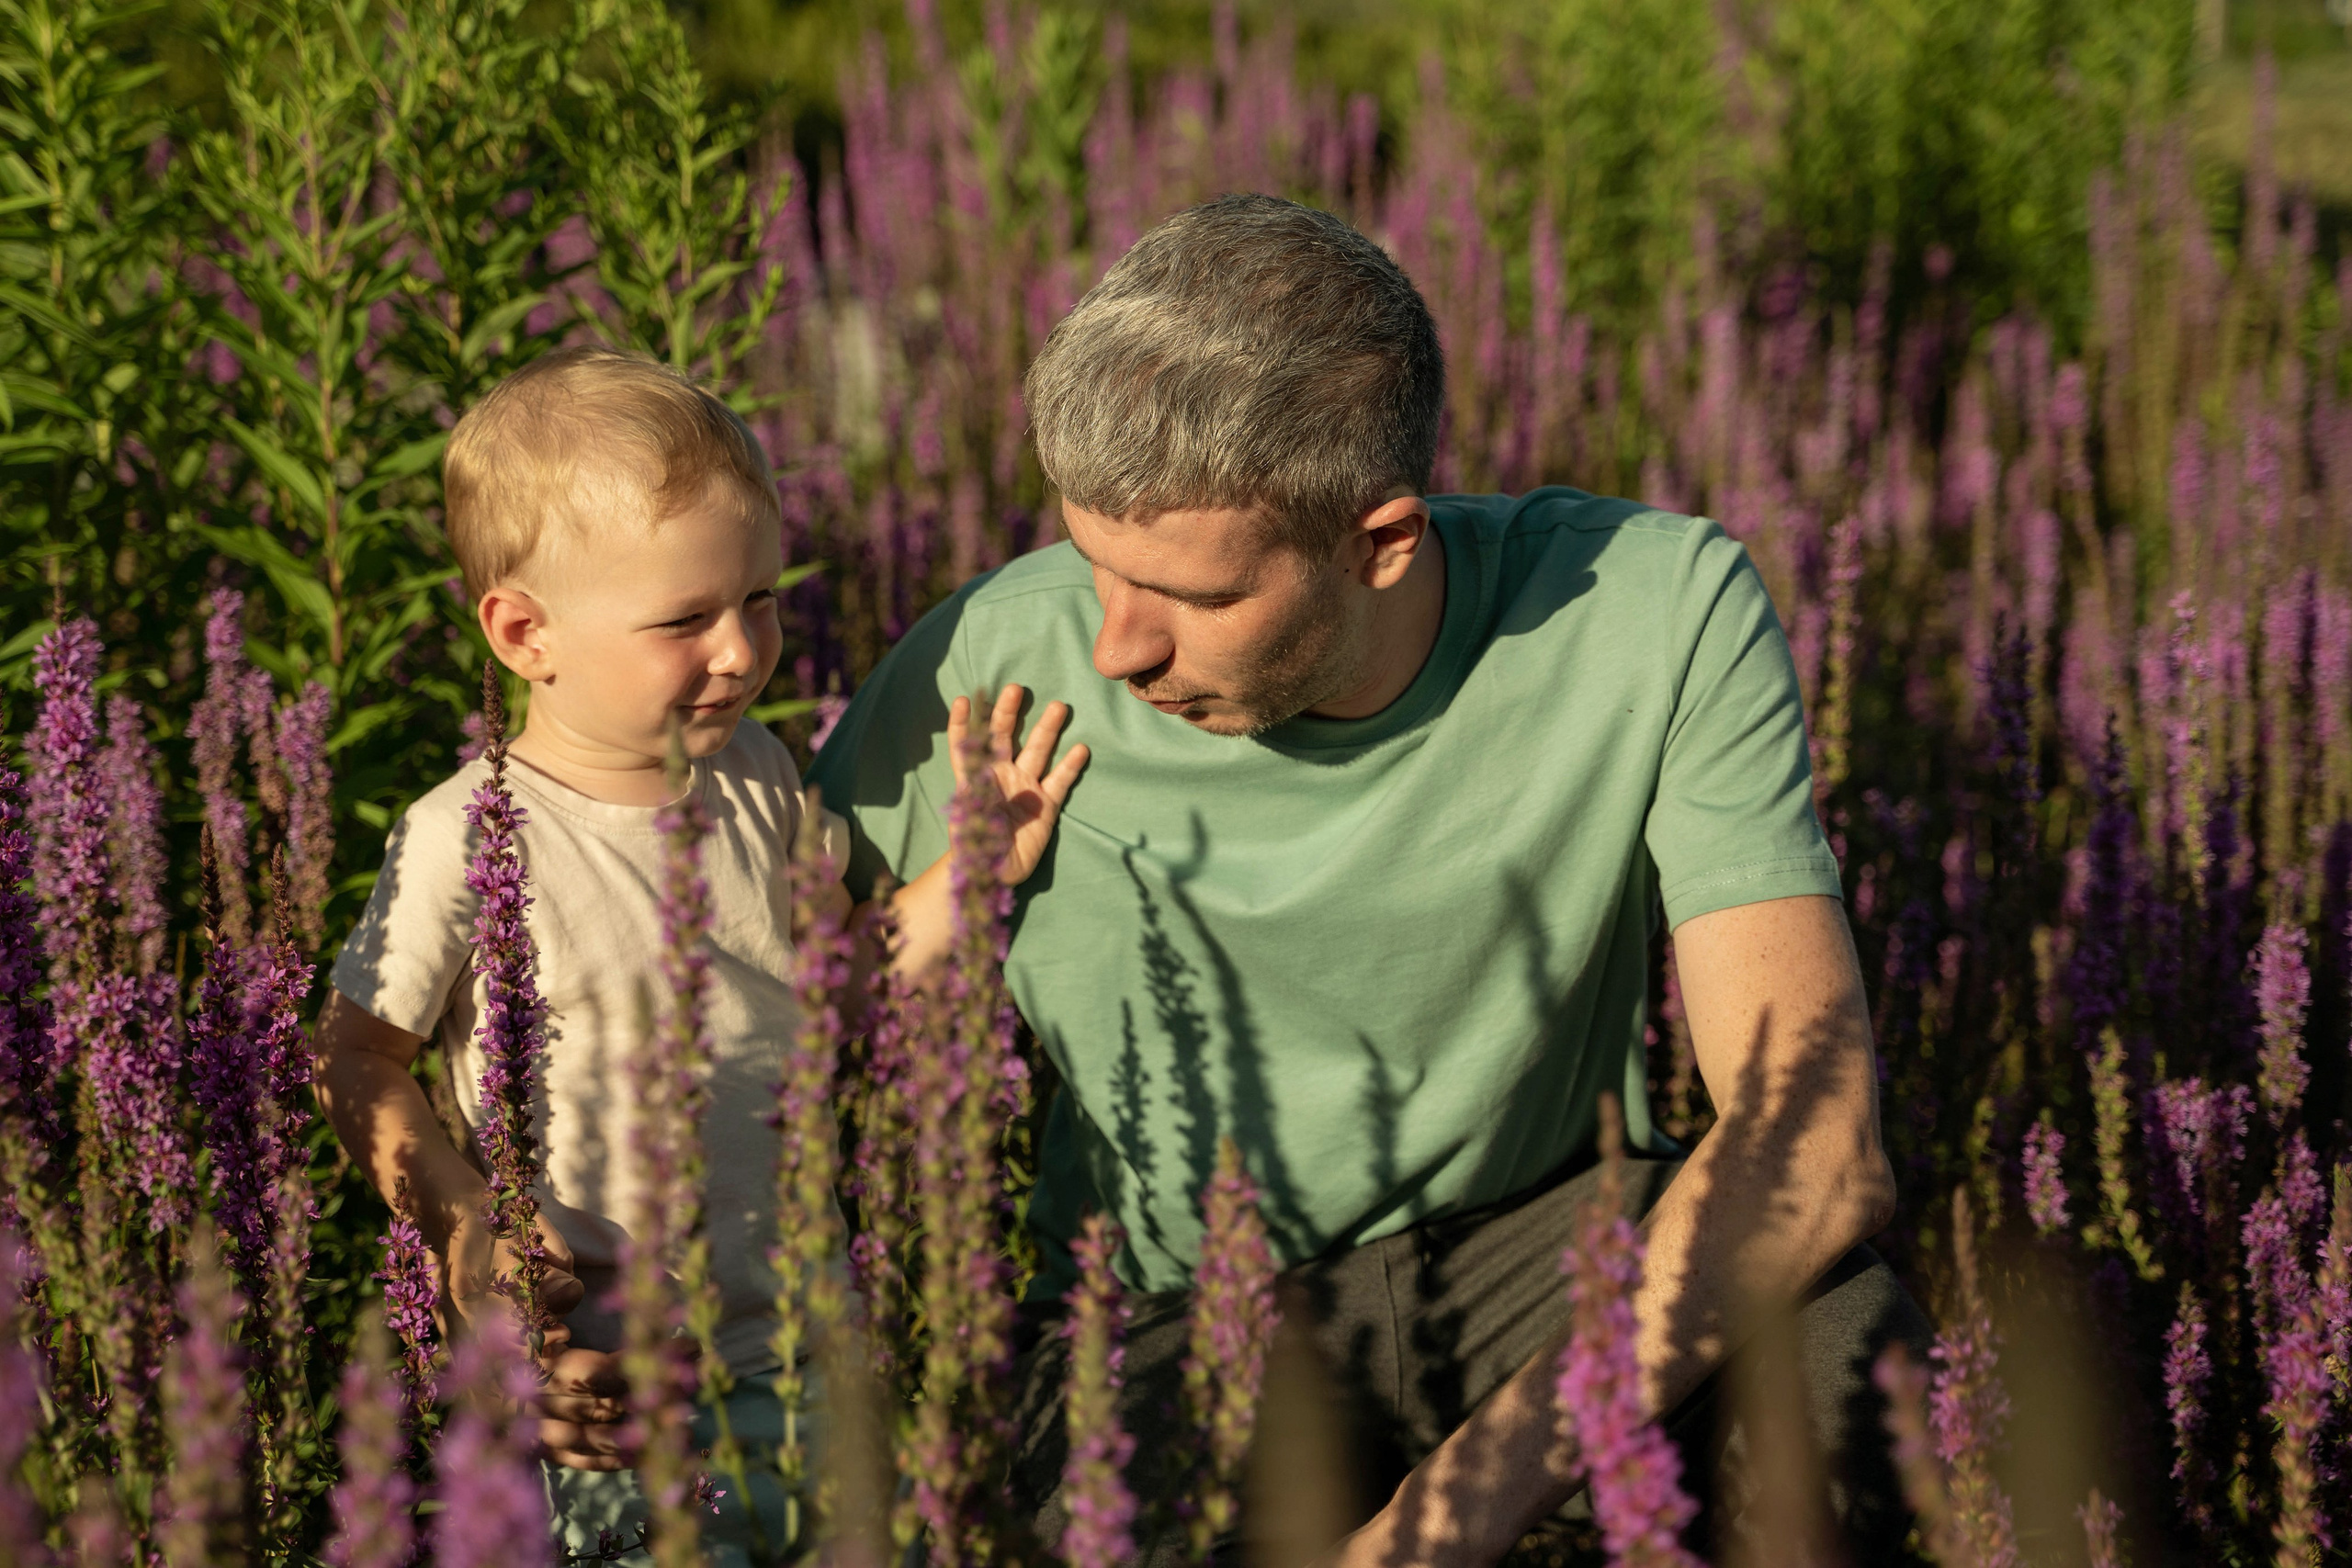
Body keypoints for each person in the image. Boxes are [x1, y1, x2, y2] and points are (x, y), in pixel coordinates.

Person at [809, 195, 1929, 1563]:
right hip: (1171, 1308)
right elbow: (744, 1015)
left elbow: (1812, 1151)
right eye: (1095, 566)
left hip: (1548, 1245)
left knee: (1851, 1384)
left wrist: (1429, 1528)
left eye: (1202, 600)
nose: (1115, 651)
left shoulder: (1657, 609)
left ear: (1380, 541)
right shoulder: (992, 658)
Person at [313, 344, 1087, 1564]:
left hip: (799, 1337)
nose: (741, 651)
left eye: (762, 600)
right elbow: (356, 1057)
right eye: (685, 619)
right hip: (605, 1375)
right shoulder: (466, 835)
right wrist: (463, 1229)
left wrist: (980, 864)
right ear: (524, 634)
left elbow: (852, 983)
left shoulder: (758, 776)